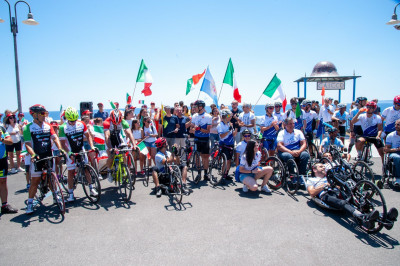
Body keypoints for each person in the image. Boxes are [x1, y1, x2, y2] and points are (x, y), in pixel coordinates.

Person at [306, 163, 381, 230]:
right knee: (342, 202)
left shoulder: (329, 177)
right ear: (314, 169)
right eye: (321, 166)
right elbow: (312, 192)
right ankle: (362, 216)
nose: (323, 168)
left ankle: (380, 216)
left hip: (338, 191)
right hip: (326, 194)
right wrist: (324, 185)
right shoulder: (312, 180)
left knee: (355, 196)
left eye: (324, 166)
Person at [24, 104, 65, 214]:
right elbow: (27, 144)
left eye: (45, 113)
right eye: (42, 113)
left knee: (52, 177)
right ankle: (30, 203)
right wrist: (32, 154)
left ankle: (55, 195)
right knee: (35, 181)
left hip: (48, 154)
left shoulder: (48, 125)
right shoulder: (28, 127)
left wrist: (60, 149)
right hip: (37, 156)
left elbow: (55, 138)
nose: (44, 115)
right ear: (35, 115)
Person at [59, 107, 98, 202]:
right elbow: (63, 143)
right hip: (70, 150)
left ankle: (91, 188)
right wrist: (68, 152)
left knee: (86, 168)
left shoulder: (81, 124)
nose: (73, 122)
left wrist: (92, 146)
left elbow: (88, 136)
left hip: (80, 148)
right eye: (71, 121)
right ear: (67, 119)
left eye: (74, 120)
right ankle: (71, 194)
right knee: (71, 172)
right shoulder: (62, 127)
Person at [104, 109, 137, 182]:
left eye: (117, 123)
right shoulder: (107, 122)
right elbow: (107, 137)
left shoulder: (123, 121)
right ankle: (109, 171)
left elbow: (129, 133)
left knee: (123, 153)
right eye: (114, 123)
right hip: (110, 139)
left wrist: (134, 145)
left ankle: (125, 169)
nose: (116, 124)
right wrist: (110, 148)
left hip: (118, 137)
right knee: (111, 155)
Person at [190, 100, 212, 181]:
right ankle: (199, 173)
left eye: (195, 107)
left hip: (205, 139)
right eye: (193, 107)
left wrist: (199, 128)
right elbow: (191, 128)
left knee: (205, 157)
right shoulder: (194, 116)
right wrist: (193, 128)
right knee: (197, 156)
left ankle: (206, 173)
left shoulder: (208, 117)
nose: (193, 108)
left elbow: (208, 131)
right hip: (197, 138)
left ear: (201, 107)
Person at [0, 127, 18, 215]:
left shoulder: (1, 129)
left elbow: (10, 142)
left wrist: (1, 139)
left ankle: (4, 205)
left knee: (3, 181)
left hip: (2, 160)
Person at [217, 109, 237, 179]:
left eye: (230, 116)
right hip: (224, 144)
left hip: (231, 144)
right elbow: (221, 136)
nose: (230, 117)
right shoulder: (220, 125)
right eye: (229, 116)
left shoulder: (229, 124)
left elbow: (234, 134)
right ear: (224, 116)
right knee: (226, 161)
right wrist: (228, 130)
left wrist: (237, 127)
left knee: (229, 161)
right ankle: (223, 175)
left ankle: (226, 174)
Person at [384, 119, 400, 186]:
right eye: (395, 124)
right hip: (394, 153)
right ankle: (398, 178)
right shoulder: (391, 135)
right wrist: (397, 149)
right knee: (397, 158)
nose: (396, 126)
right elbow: (386, 149)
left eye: (398, 125)